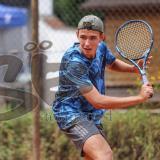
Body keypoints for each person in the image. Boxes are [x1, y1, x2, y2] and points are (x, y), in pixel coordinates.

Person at [52, 15, 153, 160]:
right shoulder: (74, 62)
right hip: (70, 113)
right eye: (83, 37)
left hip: (92, 114)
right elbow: (98, 101)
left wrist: (133, 69)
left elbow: (111, 63)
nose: (87, 43)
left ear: (101, 38)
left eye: (92, 38)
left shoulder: (101, 49)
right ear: (77, 35)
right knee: (104, 155)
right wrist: (139, 98)